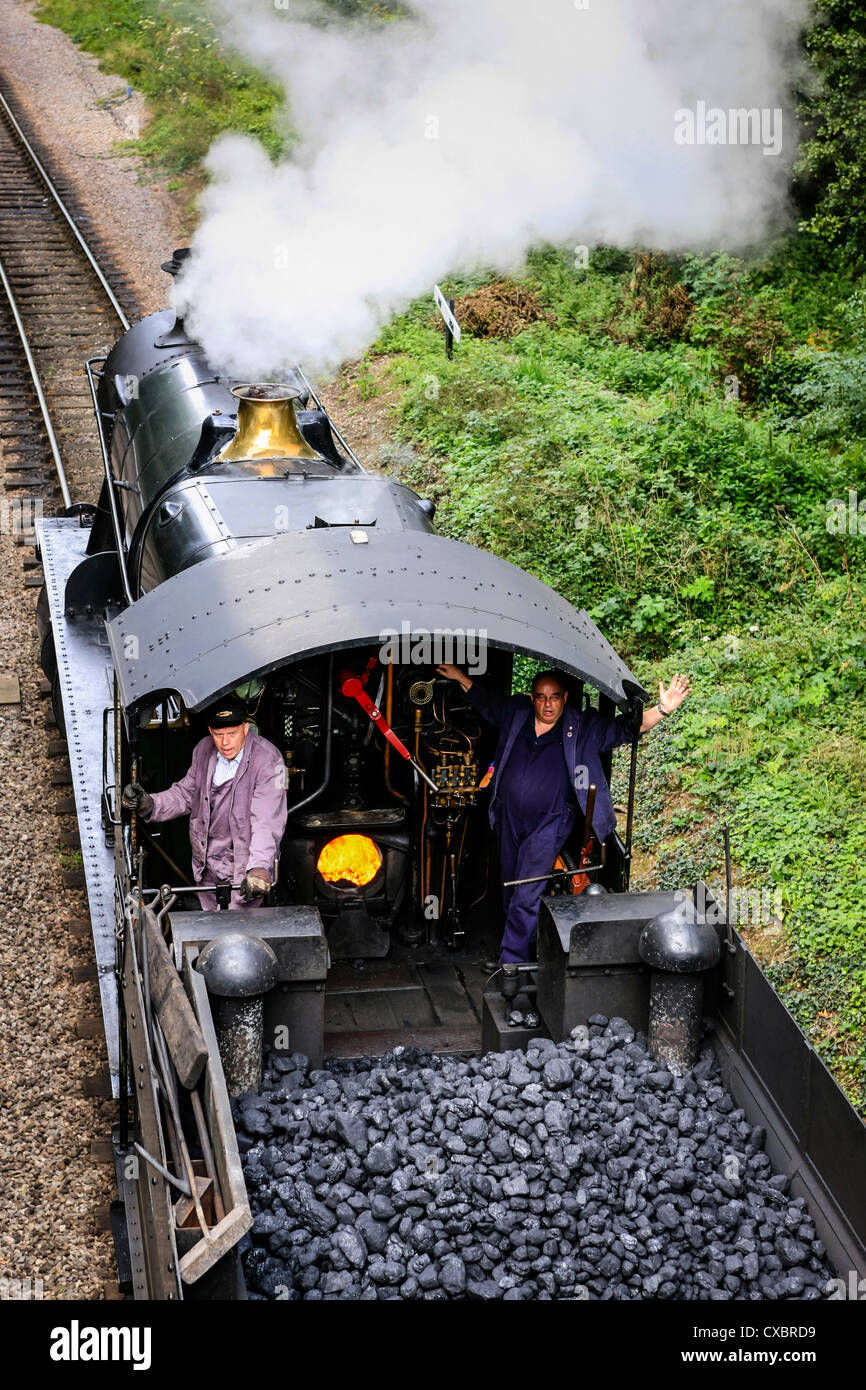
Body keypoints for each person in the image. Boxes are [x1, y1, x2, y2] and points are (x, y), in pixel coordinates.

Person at [435, 664, 691, 964]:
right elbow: (485, 700)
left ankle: (511, 964)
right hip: (507, 817)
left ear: (564, 698)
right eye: (541, 697)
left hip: (549, 822)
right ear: (532, 698)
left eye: (554, 697)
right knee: (509, 887)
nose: (547, 704)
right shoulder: (516, 714)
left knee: (526, 892)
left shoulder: (581, 727)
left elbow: (628, 729)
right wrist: (459, 677)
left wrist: (663, 708)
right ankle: (522, 950)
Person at [121, 699, 288, 910]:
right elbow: (186, 793)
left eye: (232, 734)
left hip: (244, 868)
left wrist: (258, 868)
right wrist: (150, 803)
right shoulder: (203, 750)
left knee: (236, 936)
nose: (225, 742)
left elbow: (266, 820)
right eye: (219, 735)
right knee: (210, 928)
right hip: (207, 866)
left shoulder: (268, 760)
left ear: (246, 728)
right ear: (210, 731)